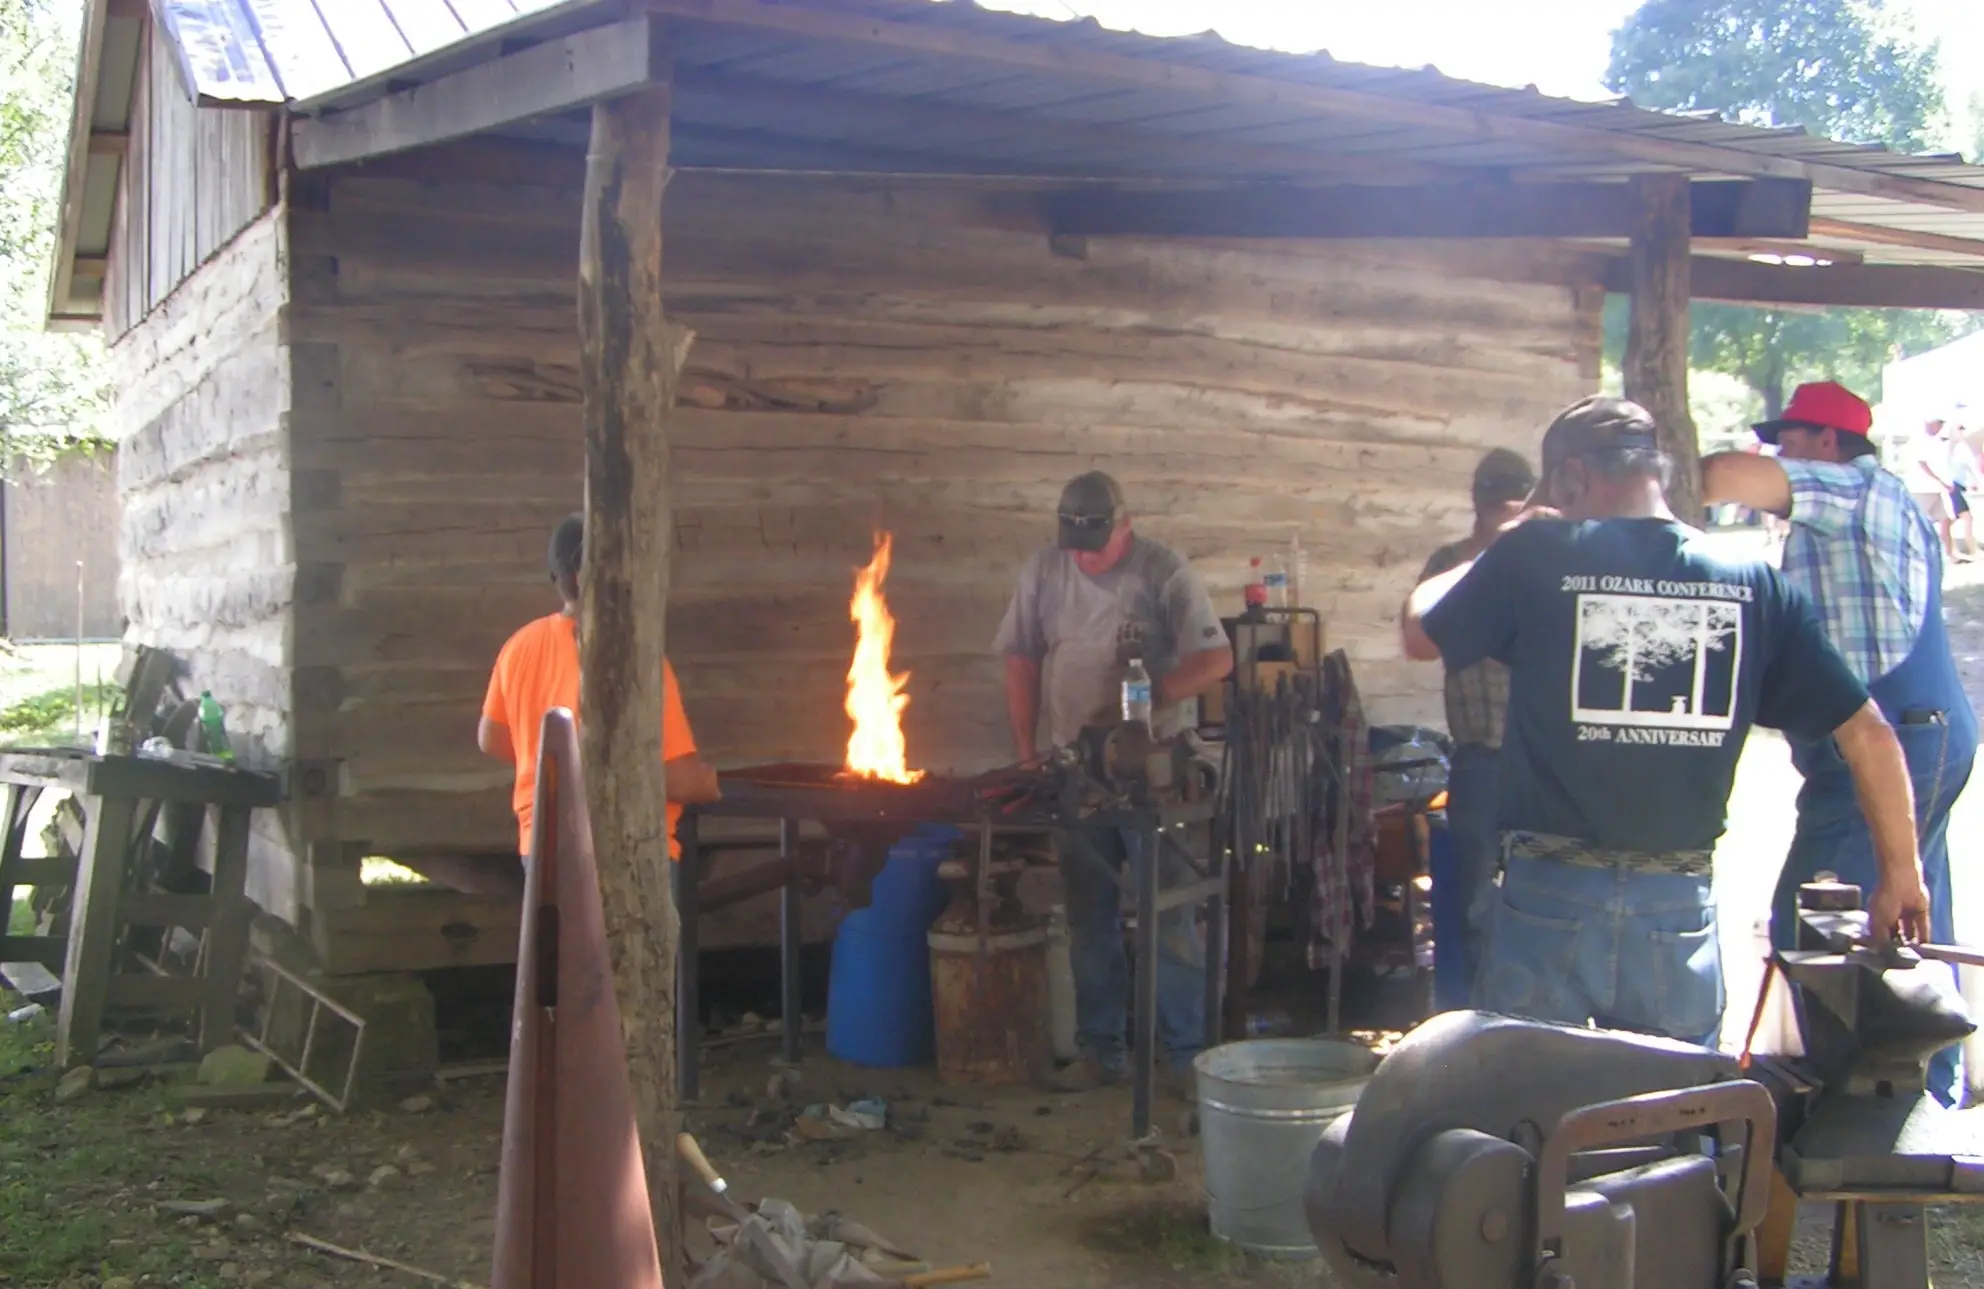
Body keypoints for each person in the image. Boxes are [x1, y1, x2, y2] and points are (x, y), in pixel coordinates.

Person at [1402, 395, 1928, 1047]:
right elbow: (1868, 732)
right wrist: (1901, 871)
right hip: (1677, 906)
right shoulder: (1753, 584)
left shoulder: (1536, 553)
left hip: (1548, 898)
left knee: (1527, 1114)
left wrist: (1501, 539)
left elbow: (1420, 630)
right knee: (1672, 1121)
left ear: (1570, 478)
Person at [1703, 380, 1976, 1104]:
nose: (1777, 451)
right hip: (1921, 732)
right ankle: (1928, 1090)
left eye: (1789, 437)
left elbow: (1718, 476)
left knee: (1822, 915)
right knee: (1907, 906)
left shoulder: (1850, 488)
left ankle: (1856, 1100)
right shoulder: (1854, 509)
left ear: (1828, 442)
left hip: (1895, 738)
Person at [994, 471, 1233, 1091]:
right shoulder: (1045, 571)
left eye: (1095, 544)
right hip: (1076, 772)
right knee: (1088, 917)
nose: (1083, 556)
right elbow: (1020, 657)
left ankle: (1185, 1058)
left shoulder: (1163, 571)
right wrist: (1026, 750)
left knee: (1170, 917)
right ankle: (1103, 1051)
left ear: (1125, 525)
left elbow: (1217, 658)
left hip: (1153, 775)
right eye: (1074, 543)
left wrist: (1152, 697)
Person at [479, 513, 721, 880]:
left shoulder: (519, 646)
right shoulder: (633, 658)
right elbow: (677, 779)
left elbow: (491, 737)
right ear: (587, 574)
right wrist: (709, 784)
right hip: (624, 857)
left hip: (540, 850)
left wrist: (557, 766)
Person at [1414, 448, 1537, 987]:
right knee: (1473, 901)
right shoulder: (1449, 564)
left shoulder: (1548, 559)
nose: (1502, 512)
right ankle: (1475, 1021)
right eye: (1495, 501)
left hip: (1541, 758)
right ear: (1477, 503)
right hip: (1480, 758)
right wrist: (1493, 554)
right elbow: (1420, 639)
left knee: (1540, 897)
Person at [1903, 416, 1964, 563]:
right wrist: (1941, 481)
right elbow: (1922, 464)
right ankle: (1912, 554)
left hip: (1937, 489)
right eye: (1938, 424)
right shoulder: (1920, 440)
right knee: (1916, 524)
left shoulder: (1936, 441)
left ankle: (1950, 554)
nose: (1939, 428)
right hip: (1921, 488)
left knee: (1946, 520)